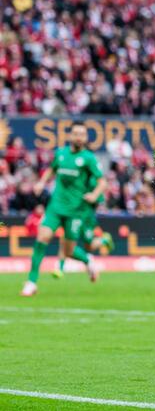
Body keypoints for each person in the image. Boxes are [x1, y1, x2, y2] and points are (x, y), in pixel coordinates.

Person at [22, 123, 106, 296]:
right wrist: (41, 182)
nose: (78, 137)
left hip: (75, 211)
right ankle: (31, 282)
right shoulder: (60, 154)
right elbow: (51, 170)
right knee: (42, 237)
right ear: (70, 136)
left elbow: (102, 182)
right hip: (55, 206)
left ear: (85, 138)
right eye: (75, 133)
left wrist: (94, 194)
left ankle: (87, 260)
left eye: (82, 134)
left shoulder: (88, 158)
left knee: (68, 251)